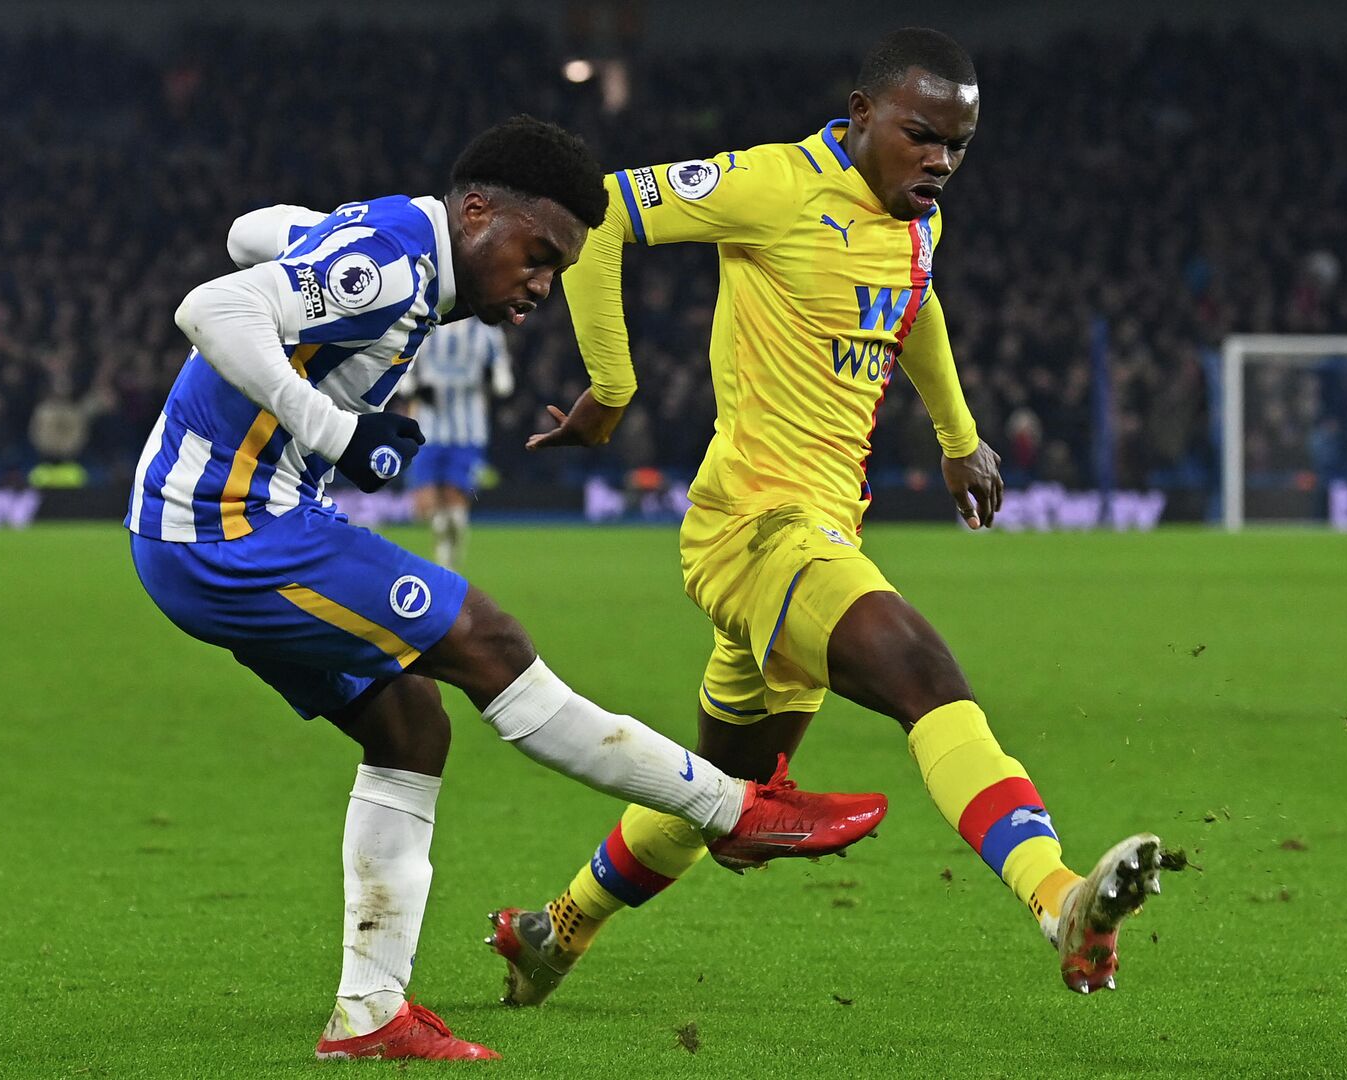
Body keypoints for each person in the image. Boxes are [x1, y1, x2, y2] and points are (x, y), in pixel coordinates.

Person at [125, 115, 887, 1062]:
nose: (543, 285)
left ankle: (369, 1016)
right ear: (475, 211)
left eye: (559, 268)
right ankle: (734, 811)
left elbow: (249, 232)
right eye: (537, 255)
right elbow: (212, 305)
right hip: (228, 529)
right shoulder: (397, 266)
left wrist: (322, 246)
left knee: (411, 726)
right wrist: (336, 430)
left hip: (213, 526)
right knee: (486, 641)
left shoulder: (395, 244)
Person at [488, 28, 1173, 1005]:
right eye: (921, 134)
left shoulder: (914, 219)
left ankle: (555, 931)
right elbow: (593, 214)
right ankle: (1059, 900)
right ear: (860, 116)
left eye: (958, 146)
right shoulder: (770, 185)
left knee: (722, 803)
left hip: (819, 536)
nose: (939, 160)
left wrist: (957, 437)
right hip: (754, 529)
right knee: (926, 678)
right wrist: (610, 384)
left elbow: (916, 299)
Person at [403, 317, 513, 568]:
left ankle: (448, 560)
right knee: (425, 507)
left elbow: (504, 382)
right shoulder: (425, 327)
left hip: (468, 430)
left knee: (455, 500)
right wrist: (415, 389)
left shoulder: (487, 331)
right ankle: (446, 537)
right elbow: (404, 372)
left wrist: (492, 378)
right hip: (428, 427)